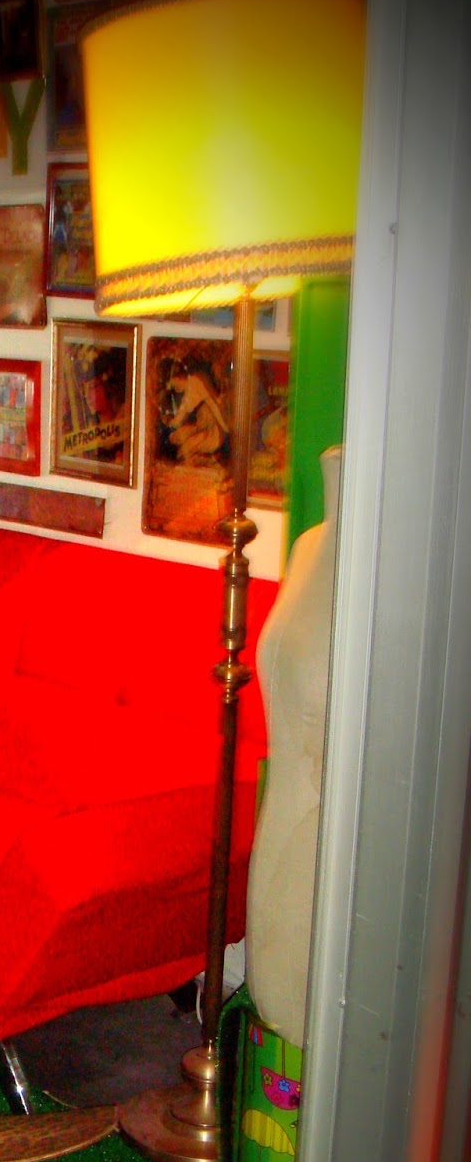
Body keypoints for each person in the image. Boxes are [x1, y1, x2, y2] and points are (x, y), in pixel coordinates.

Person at [245, 447, 341, 1046]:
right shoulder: (307, 547)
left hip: (327, 828)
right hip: (281, 811)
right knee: (273, 994)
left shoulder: (388, 568)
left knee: (313, 1007)